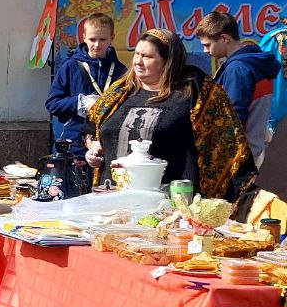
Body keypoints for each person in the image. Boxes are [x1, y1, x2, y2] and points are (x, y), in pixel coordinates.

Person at [86, 28, 255, 201]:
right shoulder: (119, 91)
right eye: (137, 54)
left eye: (148, 57)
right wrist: (93, 146)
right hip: (110, 199)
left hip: (168, 204)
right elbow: (90, 129)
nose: (138, 61)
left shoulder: (195, 93)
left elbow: (225, 145)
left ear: (168, 61)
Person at [196, 10, 278, 167]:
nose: (206, 51)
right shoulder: (253, 63)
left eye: (208, 45)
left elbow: (232, 117)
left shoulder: (238, 69)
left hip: (237, 156)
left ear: (225, 38)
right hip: (252, 150)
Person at [45, 11, 125, 151]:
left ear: (112, 38)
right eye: (92, 39)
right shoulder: (70, 66)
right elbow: (52, 104)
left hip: (107, 144)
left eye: (103, 39)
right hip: (74, 144)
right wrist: (79, 103)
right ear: (84, 38)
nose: (97, 44)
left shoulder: (120, 71)